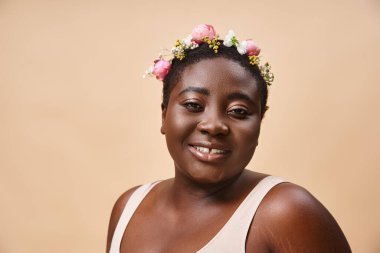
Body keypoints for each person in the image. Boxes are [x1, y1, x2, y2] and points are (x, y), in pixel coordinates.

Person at [106, 24, 351, 253]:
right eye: (193, 104)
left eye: (238, 111)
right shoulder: (128, 207)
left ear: (259, 125)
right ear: (164, 115)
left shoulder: (286, 212)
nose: (214, 126)